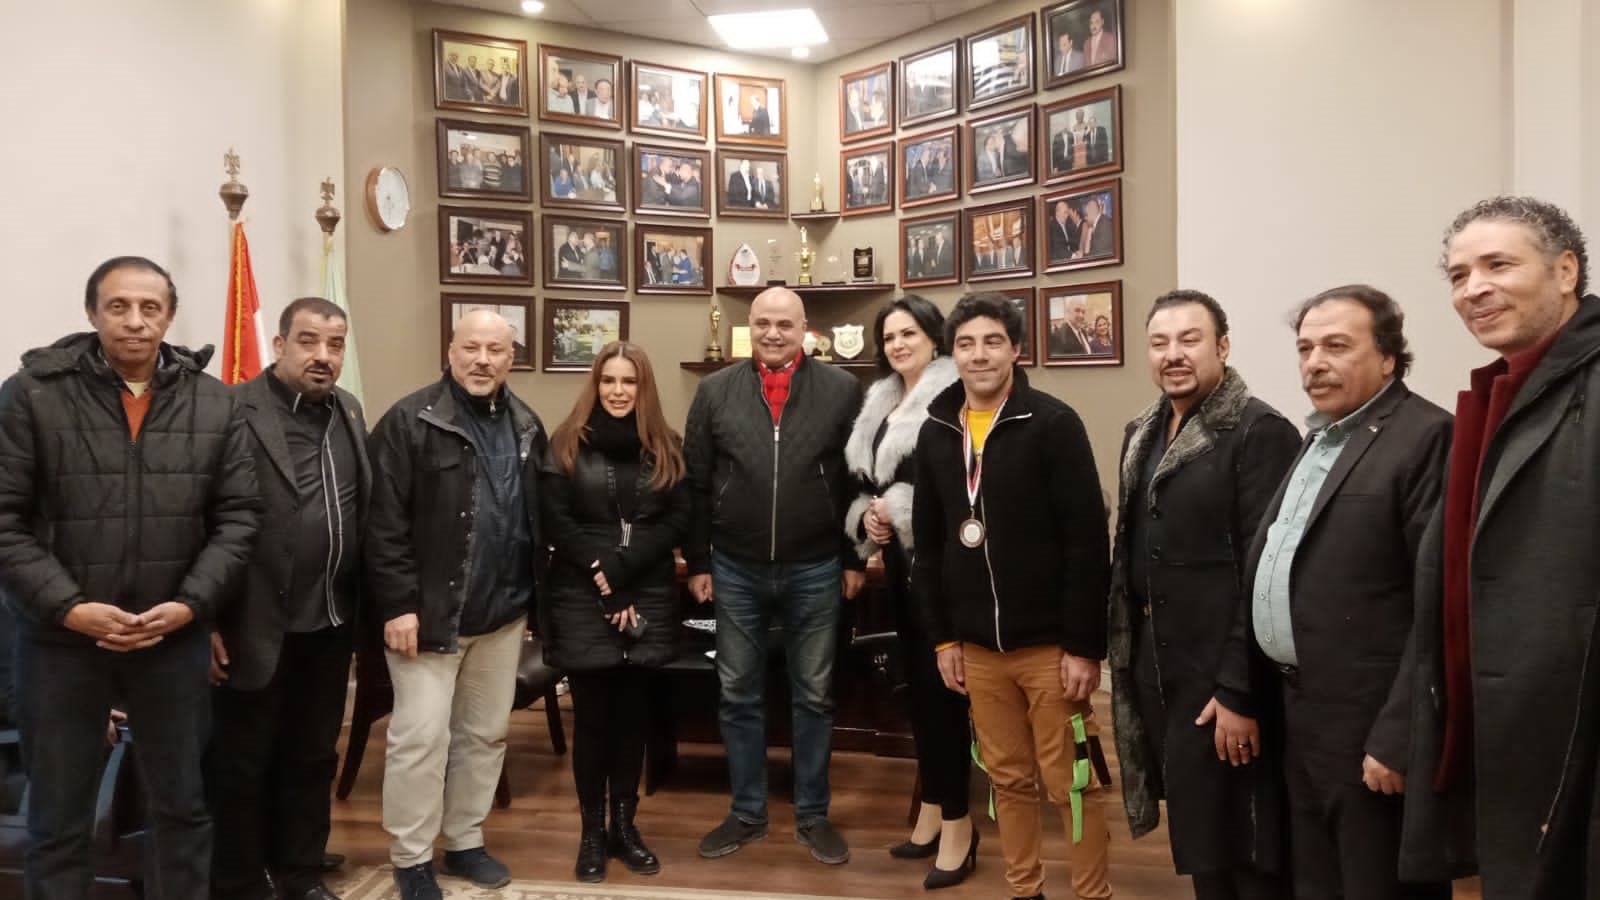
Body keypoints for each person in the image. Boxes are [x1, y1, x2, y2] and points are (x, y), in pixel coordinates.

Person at [0, 256, 261, 899]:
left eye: (150, 308)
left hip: (170, 639)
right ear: (92, 313)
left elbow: (238, 519)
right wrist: (70, 609)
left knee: (182, 808)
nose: (135, 321)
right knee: (57, 817)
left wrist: (190, 605)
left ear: (170, 317)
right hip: (61, 641)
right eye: (118, 306)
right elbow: (5, 521)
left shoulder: (214, 403)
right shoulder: (31, 394)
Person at [1399, 196, 1600, 899]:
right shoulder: (1499, 392)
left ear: (1565, 271)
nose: (1473, 289)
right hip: (1508, 738)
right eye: (1458, 275)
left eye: (1497, 265)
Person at [1243, 285, 1452, 900]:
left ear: (1388, 357)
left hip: (1370, 724)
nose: (1315, 363)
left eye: (1336, 346)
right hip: (1301, 710)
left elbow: (1439, 604)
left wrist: (1398, 735)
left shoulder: (1426, 436)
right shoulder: (1320, 439)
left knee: (1375, 883)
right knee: (1317, 880)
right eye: (1305, 348)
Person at [912, 292, 1113, 900]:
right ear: (952, 353)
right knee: (1007, 780)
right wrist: (943, 639)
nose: (979, 355)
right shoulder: (936, 432)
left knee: (1070, 782)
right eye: (966, 344)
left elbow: (1087, 543)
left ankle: (1093, 893)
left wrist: (1084, 646)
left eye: (993, 341)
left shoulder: (1052, 424)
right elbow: (929, 548)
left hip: (1050, 649)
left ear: (1017, 349)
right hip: (976, 650)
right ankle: (1025, 889)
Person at [1108, 290, 1300, 900]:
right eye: (1160, 342)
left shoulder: (1259, 432)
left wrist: (1239, 690)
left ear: (1222, 346)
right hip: (1162, 670)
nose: (1174, 354)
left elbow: (1266, 574)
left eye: (1190, 339)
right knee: (1200, 837)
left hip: (1225, 678)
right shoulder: (1142, 432)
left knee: (1248, 848)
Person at [367, 310, 546, 900]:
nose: (482, 360)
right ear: (450, 351)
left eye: (495, 350)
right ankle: (412, 857)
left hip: (502, 617)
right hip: (428, 618)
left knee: (485, 736)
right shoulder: (409, 421)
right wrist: (397, 605)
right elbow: (382, 525)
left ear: (511, 359)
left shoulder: (527, 425)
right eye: (471, 348)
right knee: (420, 740)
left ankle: (465, 841)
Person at [683, 287, 865, 865]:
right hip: (734, 567)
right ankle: (747, 812)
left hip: (817, 565)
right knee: (738, 692)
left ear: (804, 328)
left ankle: (813, 815)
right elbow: (695, 483)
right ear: (749, 327)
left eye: (784, 324)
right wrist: (699, 562)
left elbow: (856, 480)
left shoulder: (842, 389)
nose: (772, 333)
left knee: (814, 695)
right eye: (762, 323)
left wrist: (855, 559)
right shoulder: (715, 391)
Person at [206, 297, 369, 900]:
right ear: (278, 345)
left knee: (311, 757)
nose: (323, 355)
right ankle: (242, 883)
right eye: (308, 341)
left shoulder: (349, 409)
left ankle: (300, 873)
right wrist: (204, 620)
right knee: (242, 764)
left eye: (335, 344)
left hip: (330, 621)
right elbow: (198, 519)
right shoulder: (231, 410)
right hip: (250, 623)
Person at [539, 342, 688, 884]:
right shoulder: (565, 444)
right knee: (593, 722)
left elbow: (677, 520)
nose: (618, 391)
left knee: (633, 719)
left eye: (628, 381)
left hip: (646, 588)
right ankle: (591, 833)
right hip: (581, 592)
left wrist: (623, 570)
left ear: (643, 387)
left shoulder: (668, 446)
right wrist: (604, 577)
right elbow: (556, 520)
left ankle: (625, 827)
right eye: (608, 381)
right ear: (595, 385)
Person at [842, 297, 971, 888]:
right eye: (889, 336)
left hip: (940, 565)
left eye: (909, 333)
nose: (897, 344)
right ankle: (932, 810)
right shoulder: (884, 400)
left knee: (943, 698)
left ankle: (960, 827)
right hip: (898, 562)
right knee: (918, 693)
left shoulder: (951, 399)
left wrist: (894, 507)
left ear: (933, 338)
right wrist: (868, 517)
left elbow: (954, 490)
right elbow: (871, 482)